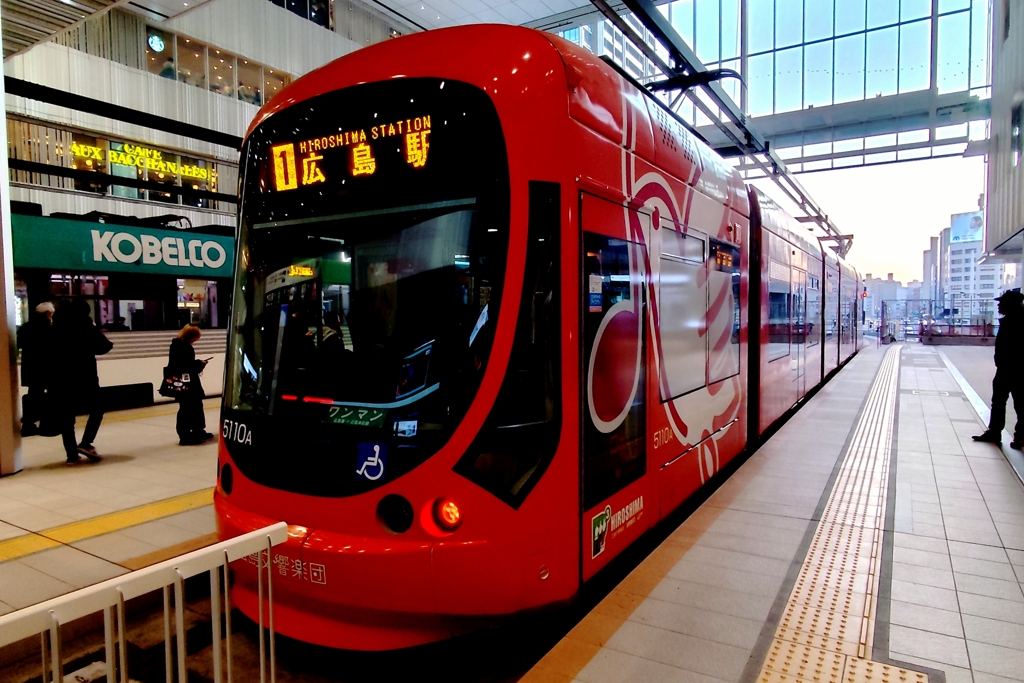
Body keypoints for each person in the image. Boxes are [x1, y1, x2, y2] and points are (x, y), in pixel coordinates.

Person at [51, 300, 113, 464]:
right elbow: (105, 346)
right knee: (98, 408)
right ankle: (86, 443)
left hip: (60, 378)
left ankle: (71, 455)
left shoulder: (55, 327)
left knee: (67, 417)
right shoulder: (84, 324)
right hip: (85, 376)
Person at [973, 290, 1023, 449]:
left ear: (1011, 305)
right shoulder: (1009, 320)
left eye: (1002, 303)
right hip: (1005, 369)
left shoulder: (1016, 322)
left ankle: (1018, 436)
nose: (999, 306)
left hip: (1016, 370)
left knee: (1018, 403)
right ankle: (998, 432)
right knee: (1000, 402)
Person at [169, 325, 214, 445]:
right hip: (188, 384)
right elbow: (188, 367)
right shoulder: (185, 347)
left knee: (191, 407)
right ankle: (186, 435)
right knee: (189, 408)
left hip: (182, 383)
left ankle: (197, 431)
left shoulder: (176, 345)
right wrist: (200, 364)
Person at [16, 302, 55, 436]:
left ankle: (28, 424)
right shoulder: (49, 328)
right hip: (46, 368)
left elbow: (20, 343)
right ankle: (46, 424)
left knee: (33, 395)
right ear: (48, 313)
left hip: (30, 368)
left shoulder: (26, 327)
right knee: (50, 396)